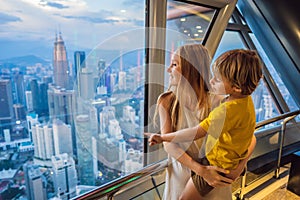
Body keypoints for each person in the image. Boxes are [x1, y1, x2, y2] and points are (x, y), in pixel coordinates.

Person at [147, 49, 262, 199]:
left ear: (192, 69)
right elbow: (169, 144)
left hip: (214, 178)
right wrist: (201, 170)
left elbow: (249, 138)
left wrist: (236, 169)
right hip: (182, 174)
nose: (168, 70)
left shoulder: (222, 103)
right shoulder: (166, 101)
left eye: (174, 65)